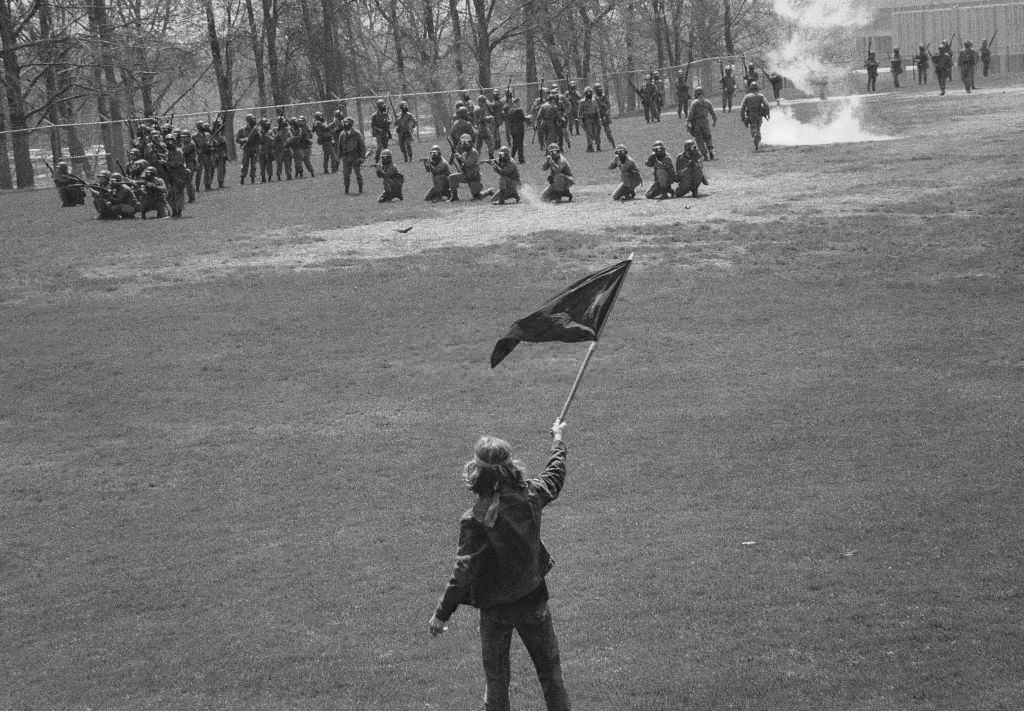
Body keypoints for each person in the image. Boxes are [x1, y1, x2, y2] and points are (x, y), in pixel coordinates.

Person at [429, 419, 572, 711]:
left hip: (495, 610)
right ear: (509, 466)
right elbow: (554, 476)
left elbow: (464, 572)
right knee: (551, 677)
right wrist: (558, 439)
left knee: (496, 682)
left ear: (478, 471)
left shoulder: (476, 517)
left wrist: (441, 614)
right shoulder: (530, 495)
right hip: (533, 600)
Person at [449, 133, 493, 202]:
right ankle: (454, 196)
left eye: (465, 142)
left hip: (474, 177)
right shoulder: (464, 153)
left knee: (477, 197)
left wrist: (460, 157)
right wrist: (454, 159)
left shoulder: (473, 152)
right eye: (462, 142)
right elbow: (461, 166)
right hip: (466, 175)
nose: (464, 144)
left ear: (470, 143)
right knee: (452, 177)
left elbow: (469, 163)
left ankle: (489, 191)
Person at [162, 134, 191, 218]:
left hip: (179, 176)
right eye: (166, 141)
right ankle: (174, 212)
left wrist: (166, 163)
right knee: (170, 195)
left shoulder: (178, 152)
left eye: (170, 141)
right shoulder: (168, 152)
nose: (168, 143)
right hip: (171, 177)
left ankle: (179, 212)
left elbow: (178, 163)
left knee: (178, 194)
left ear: (174, 142)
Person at [685, 87, 717, 160]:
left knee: (699, 140)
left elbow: (690, 114)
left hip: (697, 124)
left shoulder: (694, 103)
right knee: (708, 137)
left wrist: (687, 122)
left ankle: (705, 155)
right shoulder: (707, 102)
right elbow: (713, 113)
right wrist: (714, 121)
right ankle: (710, 151)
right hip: (705, 122)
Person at [337, 116, 367, 195]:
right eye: (344, 123)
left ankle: (360, 189)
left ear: (350, 124)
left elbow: (362, 146)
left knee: (358, 174)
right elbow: (339, 147)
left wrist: (362, 157)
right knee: (346, 175)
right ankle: (346, 190)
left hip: (355, 157)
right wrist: (338, 157)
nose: (344, 124)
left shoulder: (356, 133)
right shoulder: (342, 134)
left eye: (346, 123)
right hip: (346, 157)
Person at [739, 81, 771, 152]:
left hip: (750, 115)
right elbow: (766, 104)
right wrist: (767, 113)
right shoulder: (761, 96)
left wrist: (743, 117)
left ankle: (755, 135)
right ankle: (756, 139)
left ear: (750, 88)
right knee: (758, 128)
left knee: (753, 128)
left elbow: (742, 107)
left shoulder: (747, 97)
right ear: (757, 88)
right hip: (759, 115)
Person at [235, 113, 261, 185]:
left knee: (254, 165)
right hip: (246, 149)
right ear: (248, 120)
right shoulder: (242, 130)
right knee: (244, 164)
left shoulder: (255, 129)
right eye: (252, 119)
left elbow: (259, 140)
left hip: (254, 149)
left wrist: (257, 134)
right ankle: (242, 180)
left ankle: (253, 180)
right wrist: (244, 140)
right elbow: (237, 139)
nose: (254, 121)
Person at [313, 111, 338, 175]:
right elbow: (327, 128)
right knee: (333, 156)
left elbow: (326, 130)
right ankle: (334, 170)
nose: (322, 117)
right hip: (326, 141)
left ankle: (326, 170)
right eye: (320, 116)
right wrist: (333, 122)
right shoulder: (318, 123)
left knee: (326, 156)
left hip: (325, 141)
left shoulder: (317, 123)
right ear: (317, 117)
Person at [579, 87, 602, 152]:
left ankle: (598, 146)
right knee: (589, 133)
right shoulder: (582, 102)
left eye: (591, 92)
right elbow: (580, 112)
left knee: (596, 132)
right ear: (585, 93)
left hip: (594, 119)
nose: (590, 94)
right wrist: (580, 121)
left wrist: (599, 118)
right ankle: (590, 147)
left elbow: (597, 110)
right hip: (587, 119)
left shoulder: (593, 100)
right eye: (588, 93)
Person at [474, 94, 497, 159]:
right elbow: (481, 119)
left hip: (477, 128)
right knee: (490, 141)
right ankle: (491, 156)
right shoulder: (481, 109)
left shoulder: (475, 108)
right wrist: (489, 118)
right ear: (481, 101)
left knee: (478, 144)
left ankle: (476, 157)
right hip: (483, 127)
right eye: (483, 101)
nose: (485, 102)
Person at [505, 98, 527, 164]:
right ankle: (521, 159)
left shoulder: (510, 110)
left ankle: (512, 157)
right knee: (520, 144)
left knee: (515, 144)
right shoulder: (519, 110)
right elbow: (523, 119)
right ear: (517, 102)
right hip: (519, 130)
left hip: (512, 130)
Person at [370, 99, 392, 163]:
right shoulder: (374, 115)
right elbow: (372, 126)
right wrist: (378, 129)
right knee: (379, 146)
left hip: (385, 132)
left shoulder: (386, 114)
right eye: (382, 105)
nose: (383, 107)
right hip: (378, 133)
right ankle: (377, 159)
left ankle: (386, 160)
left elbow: (390, 120)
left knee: (385, 147)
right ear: (379, 106)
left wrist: (387, 121)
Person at [273, 116, 293, 181]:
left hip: (287, 149)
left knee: (288, 163)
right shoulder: (275, 130)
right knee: (279, 164)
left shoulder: (287, 130)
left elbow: (291, 137)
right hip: (279, 150)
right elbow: (274, 138)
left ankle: (289, 175)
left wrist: (287, 141)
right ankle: (279, 175)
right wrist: (279, 133)